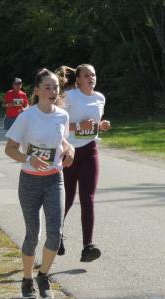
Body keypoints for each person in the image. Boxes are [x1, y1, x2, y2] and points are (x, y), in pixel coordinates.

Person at [4, 68, 75, 299]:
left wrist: (70, 149)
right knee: (33, 233)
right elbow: (10, 149)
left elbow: (62, 140)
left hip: (55, 178)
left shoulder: (62, 116)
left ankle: (43, 275)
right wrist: (28, 158)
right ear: (36, 90)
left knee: (56, 233)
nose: (53, 91)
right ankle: (26, 279)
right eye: (48, 87)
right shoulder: (27, 116)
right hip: (30, 181)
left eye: (56, 87)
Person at [56, 64, 111, 262]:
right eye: (86, 75)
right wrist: (79, 126)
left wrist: (101, 126)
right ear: (78, 79)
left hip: (90, 151)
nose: (91, 78)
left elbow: (95, 123)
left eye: (93, 75)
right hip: (69, 152)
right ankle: (57, 236)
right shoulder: (70, 96)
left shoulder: (100, 98)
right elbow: (58, 123)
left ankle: (88, 245)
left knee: (88, 198)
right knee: (68, 199)